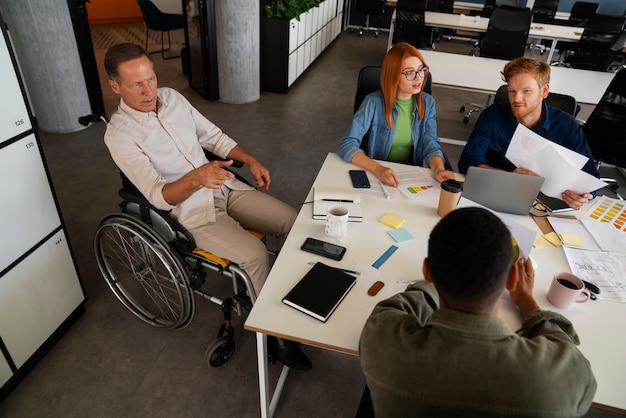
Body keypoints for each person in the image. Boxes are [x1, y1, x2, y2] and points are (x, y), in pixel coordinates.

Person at [103, 43, 310, 370]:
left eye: (151, 79)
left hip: (223, 185)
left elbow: (214, 137)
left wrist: (251, 161)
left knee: (292, 222)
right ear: (115, 86)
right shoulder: (120, 135)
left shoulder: (172, 98)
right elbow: (158, 195)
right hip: (190, 212)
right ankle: (274, 336)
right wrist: (197, 177)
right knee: (255, 255)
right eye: (137, 84)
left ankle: (286, 299)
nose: (149, 90)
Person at [359, 207, 597, 417]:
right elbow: (562, 344)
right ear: (512, 278)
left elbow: (396, 308)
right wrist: (525, 299)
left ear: (427, 271)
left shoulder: (381, 339)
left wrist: (443, 273)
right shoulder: (562, 377)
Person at [458, 56, 600, 210]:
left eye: (526, 91)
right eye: (512, 91)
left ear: (544, 91)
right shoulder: (492, 116)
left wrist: (585, 195)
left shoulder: (567, 126)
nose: (517, 99)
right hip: (496, 194)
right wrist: (508, 177)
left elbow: (591, 176)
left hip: (545, 205)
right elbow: (468, 161)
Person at [337, 42, 455, 187]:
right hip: (379, 175)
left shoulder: (427, 103)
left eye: (421, 70)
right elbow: (346, 144)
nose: (419, 78)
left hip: (410, 176)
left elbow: (430, 144)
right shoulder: (373, 102)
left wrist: (439, 169)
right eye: (410, 72)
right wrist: (378, 168)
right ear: (393, 75)